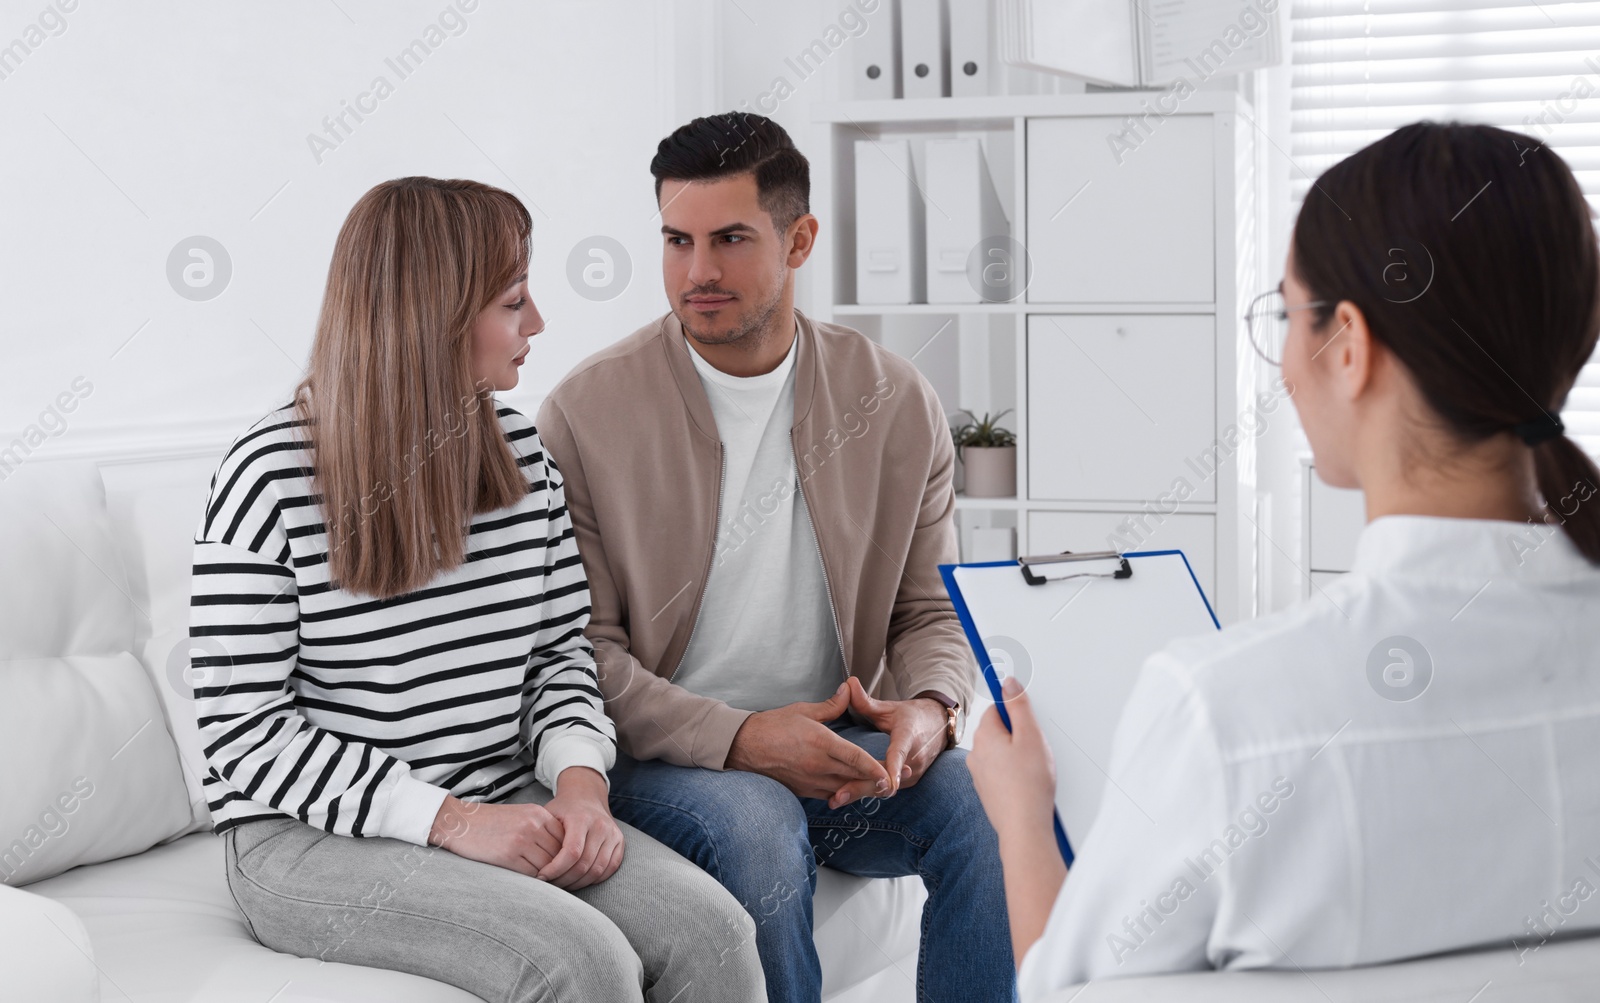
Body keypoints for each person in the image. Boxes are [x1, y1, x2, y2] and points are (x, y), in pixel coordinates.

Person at [969, 121, 1600, 995]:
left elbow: (1068, 992)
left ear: (1348, 343)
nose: (1286, 372)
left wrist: (1020, 819)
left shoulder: (1227, 712)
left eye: (1286, 316)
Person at [190, 177, 764, 1002]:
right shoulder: (269, 474)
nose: (536, 325)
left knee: (716, 933)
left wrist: (579, 783)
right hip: (307, 837)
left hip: (502, 793)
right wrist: (450, 821)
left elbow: (558, 654)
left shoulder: (521, 455)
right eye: (514, 301)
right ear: (433, 317)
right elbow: (244, 733)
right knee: (583, 963)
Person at [536, 112, 1015, 1002]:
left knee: (988, 795)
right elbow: (580, 653)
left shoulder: (896, 401)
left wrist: (932, 707)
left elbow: (927, 612)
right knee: (755, 826)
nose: (698, 272)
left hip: (838, 749)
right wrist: (743, 738)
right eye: (677, 240)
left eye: (730, 239)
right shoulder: (584, 413)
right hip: (671, 763)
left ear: (799, 240)